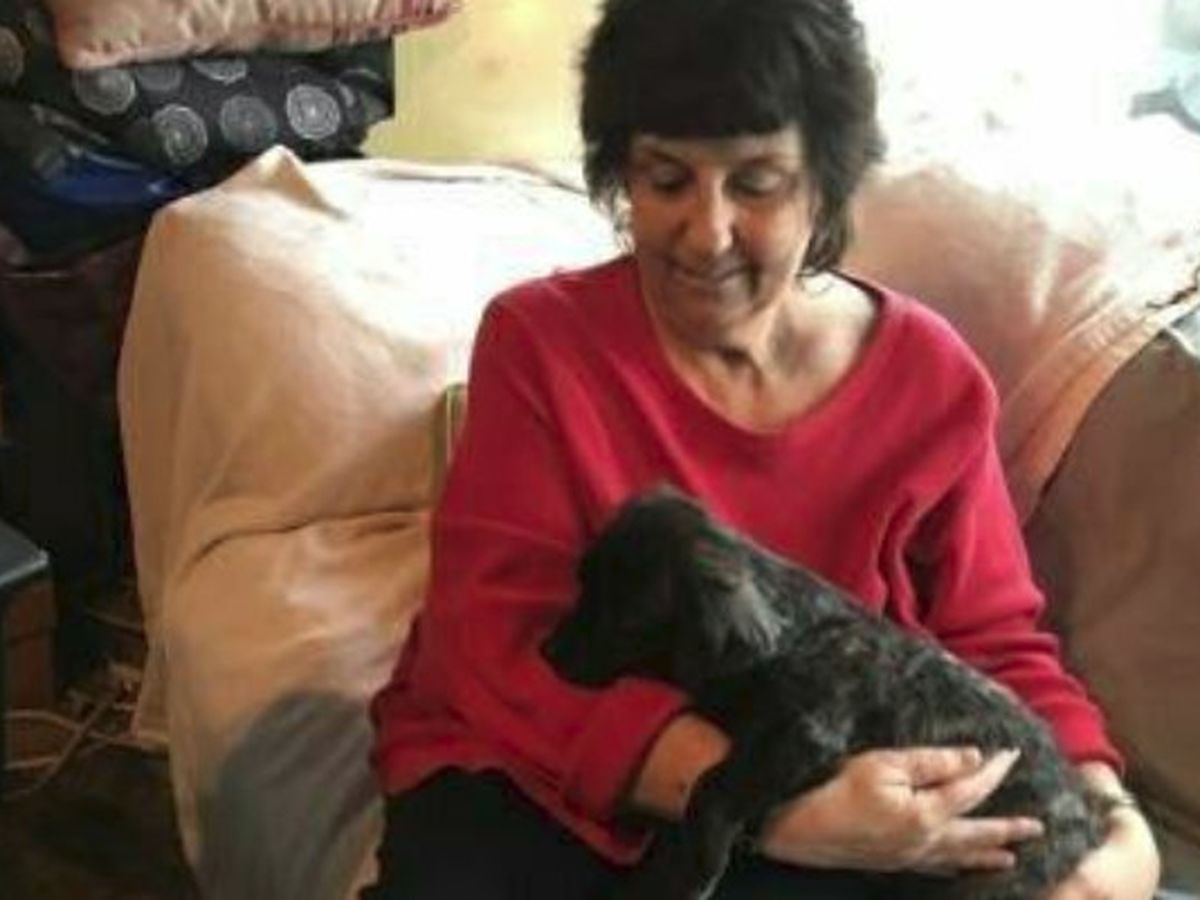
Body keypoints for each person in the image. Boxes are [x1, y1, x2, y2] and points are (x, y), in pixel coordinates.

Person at [363, 0, 1161, 897]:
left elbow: (994, 640)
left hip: (826, 778)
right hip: (545, 766)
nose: (706, 233)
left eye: (756, 184)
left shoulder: (929, 378)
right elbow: (493, 644)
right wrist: (767, 805)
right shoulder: (540, 344)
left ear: (824, 182)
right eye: (668, 179)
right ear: (622, 173)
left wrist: (1111, 822)